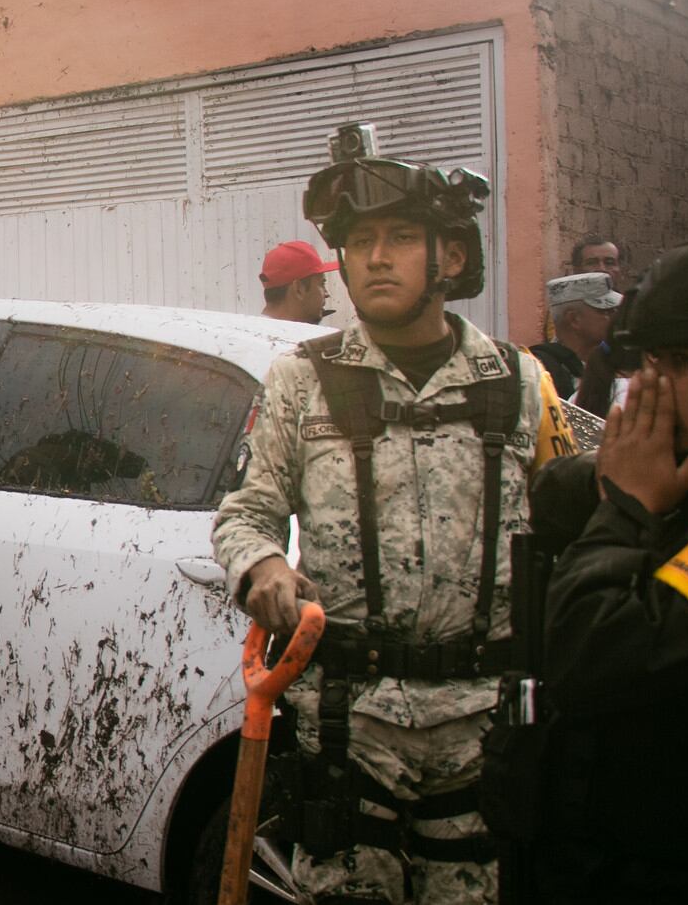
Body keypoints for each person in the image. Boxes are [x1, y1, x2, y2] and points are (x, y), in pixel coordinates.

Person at [211, 122, 575, 905]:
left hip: (483, 732)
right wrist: (261, 563)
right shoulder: (300, 379)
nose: (374, 257)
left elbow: (573, 531)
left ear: (450, 256)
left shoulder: (519, 383)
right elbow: (244, 513)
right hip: (349, 729)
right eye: (358, 241)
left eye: (400, 237)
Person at [520, 225, 688, 903]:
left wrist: (625, 507)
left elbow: (592, 654)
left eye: (682, 361)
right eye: (648, 362)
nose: (647, 388)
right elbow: (557, 493)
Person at [529, 272, 620, 401]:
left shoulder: (611, 362)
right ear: (574, 319)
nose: (615, 318)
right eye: (605, 311)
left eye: (615, 311)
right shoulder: (540, 371)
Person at [260, 239, 338, 324]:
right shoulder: (285, 332)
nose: (327, 294)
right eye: (322, 284)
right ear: (299, 289)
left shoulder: (255, 329)